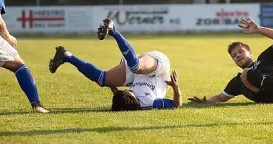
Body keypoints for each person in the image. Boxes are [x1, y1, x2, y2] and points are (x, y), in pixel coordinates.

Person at [48, 18, 182, 111]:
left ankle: (66, 56)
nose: (126, 89)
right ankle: (113, 31)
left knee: (102, 79)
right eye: (126, 90)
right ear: (129, 96)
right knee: (135, 67)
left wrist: (111, 83)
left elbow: (115, 90)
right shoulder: (149, 102)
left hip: (137, 74)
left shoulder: (125, 100)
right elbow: (176, 104)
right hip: (158, 69)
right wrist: (175, 87)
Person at [188, 18, 273, 104]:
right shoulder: (238, 80)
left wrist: (258, 29)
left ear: (250, 53)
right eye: (234, 56)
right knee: (246, 74)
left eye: (240, 52)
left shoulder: (264, 58)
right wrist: (205, 101)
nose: (237, 56)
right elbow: (220, 98)